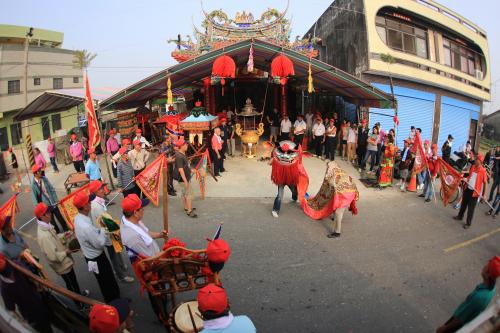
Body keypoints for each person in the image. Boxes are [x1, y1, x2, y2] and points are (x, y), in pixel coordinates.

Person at [73, 191, 121, 303]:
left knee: (104, 281)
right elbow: (99, 243)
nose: (90, 203)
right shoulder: (85, 226)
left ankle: (114, 301)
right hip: (97, 258)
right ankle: (115, 304)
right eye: (89, 202)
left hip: (90, 256)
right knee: (107, 282)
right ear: (84, 206)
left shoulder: (79, 218)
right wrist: (104, 229)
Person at [35, 202, 89, 297]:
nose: (50, 213)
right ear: (42, 216)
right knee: (71, 284)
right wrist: (66, 252)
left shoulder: (46, 226)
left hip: (64, 262)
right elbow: (52, 256)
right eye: (48, 212)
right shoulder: (44, 236)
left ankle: (79, 295)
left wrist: (64, 235)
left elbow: (55, 238)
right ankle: (80, 304)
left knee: (73, 281)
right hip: (61, 265)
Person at [436, 256, 500, 333]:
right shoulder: (491, 288)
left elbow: (460, 319)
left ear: (488, 274)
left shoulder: (479, 297)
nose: (484, 266)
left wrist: (445, 328)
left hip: (457, 325)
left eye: (487, 266)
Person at [89, 180, 134, 283]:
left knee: (117, 251)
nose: (103, 189)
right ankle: (121, 275)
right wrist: (118, 229)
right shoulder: (96, 206)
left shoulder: (99, 201)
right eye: (100, 188)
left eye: (103, 187)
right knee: (114, 255)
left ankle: (121, 266)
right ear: (95, 192)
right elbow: (106, 222)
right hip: (107, 234)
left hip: (109, 232)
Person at [0, 254, 54, 333]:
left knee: (50, 322)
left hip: (40, 301)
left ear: (4, 259)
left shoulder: (17, 265)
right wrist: (22, 323)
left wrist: (39, 284)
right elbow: (11, 309)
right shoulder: (4, 287)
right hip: (31, 315)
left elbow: (31, 277)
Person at [454, 154, 488, 229]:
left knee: (471, 209)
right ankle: (460, 216)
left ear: (480, 162)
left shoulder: (483, 171)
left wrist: (484, 194)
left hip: (474, 193)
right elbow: (470, 176)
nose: (475, 160)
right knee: (463, 204)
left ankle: (468, 223)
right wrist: (466, 179)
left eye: (477, 160)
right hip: (468, 189)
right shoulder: (473, 167)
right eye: (476, 159)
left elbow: (485, 183)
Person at [31, 164, 68, 232]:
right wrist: (40, 211)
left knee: (60, 217)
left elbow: (51, 189)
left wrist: (56, 199)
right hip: (46, 207)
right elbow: (34, 200)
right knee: (52, 222)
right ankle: (58, 234)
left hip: (53, 202)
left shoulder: (44, 179)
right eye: (39, 171)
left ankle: (66, 229)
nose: (41, 172)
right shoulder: (33, 185)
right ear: (35, 173)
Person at [271, 141, 300, 218]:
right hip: (281, 178)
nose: (285, 155)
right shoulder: (276, 156)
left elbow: (299, 165)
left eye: (289, 152)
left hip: (290, 177)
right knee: (280, 195)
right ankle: (275, 210)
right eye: (283, 152)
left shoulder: (296, 159)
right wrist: (273, 159)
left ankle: (294, 198)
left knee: (294, 190)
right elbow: (270, 163)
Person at [174, 139, 197, 218]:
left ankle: (186, 207)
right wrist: (186, 181)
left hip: (185, 178)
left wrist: (190, 169)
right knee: (189, 194)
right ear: (181, 146)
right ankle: (189, 211)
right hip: (183, 179)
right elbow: (180, 169)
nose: (187, 146)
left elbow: (185, 165)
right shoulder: (179, 156)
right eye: (185, 145)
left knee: (184, 194)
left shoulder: (182, 154)